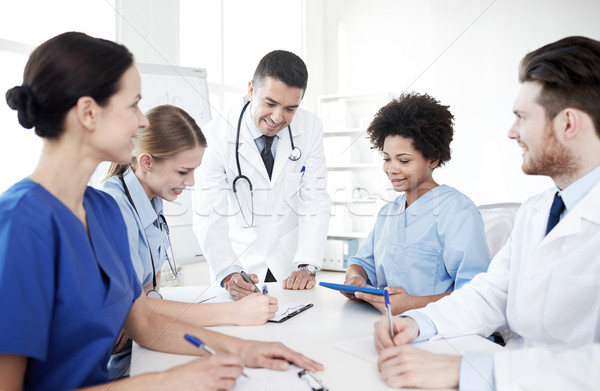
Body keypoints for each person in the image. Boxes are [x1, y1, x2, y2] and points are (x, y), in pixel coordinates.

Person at [0, 32, 322, 391]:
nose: (142, 122)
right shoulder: (20, 224)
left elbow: (147, 326)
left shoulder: (103, 211)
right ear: (89, 112)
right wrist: (168, 382)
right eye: (134, 105)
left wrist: (245, 349)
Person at [373, 36, 600, 391]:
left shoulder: (456, 208)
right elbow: (491, 292)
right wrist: (420, 322)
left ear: (568, 123)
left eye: (522, 118)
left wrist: (472, 371)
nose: (512, 133)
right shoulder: (538, 211)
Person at [99, 104, 278, 379]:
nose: (192, 182)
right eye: (183, 172)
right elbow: (139, 310)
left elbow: (147, 291)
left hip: (140, 345)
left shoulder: (151, 199)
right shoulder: (115, 209)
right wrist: (234, 313)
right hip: (114, 361)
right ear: (147, 162)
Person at [193, 50, 330, 299]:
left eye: (290, 108)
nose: (277, 117)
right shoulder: (216, 133)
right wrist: (227, 271)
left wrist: (308, 264)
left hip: (290, 263)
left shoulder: (310, 128)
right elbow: (208, 212)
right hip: (239, 262)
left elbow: (316, 198)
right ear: (251, 90)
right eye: (270, 103)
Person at [342, 93, 490, 315]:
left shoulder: (458, 213)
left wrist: (414, 304)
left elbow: (476, 293)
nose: (391, 169)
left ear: (433, 159)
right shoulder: (388, 213)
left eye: (404, 161)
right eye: (386, 158)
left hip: (438, 330)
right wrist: (355, 277)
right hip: (383, 324)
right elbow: (363, 262)